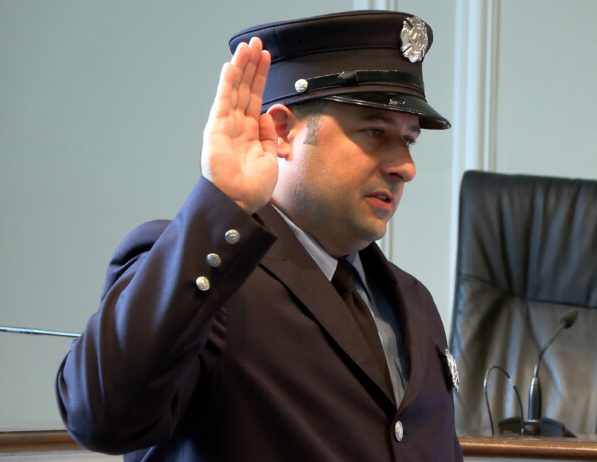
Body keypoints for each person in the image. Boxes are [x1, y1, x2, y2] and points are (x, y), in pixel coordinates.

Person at [55, 10, 461, 461]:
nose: (405, 166)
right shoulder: (207, 267)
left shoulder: (414, 301)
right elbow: (102, 417)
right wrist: (221, 202)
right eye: (374, 132)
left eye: (409, 139)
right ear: (284, 131)